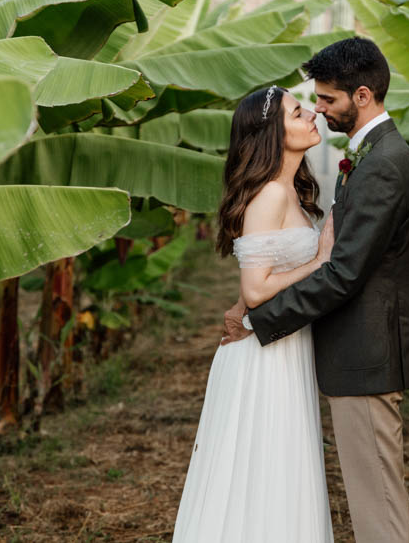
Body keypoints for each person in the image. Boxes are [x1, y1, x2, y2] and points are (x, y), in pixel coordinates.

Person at [225, 37, 409, 543]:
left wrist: (258, 320)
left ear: (362, 95)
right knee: (376, 496)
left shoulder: (382, 165)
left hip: (367, 354)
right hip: (360, 352)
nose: (318, 108)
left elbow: (343, 273)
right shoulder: (372, 156)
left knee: (378, 504)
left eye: (326, 99)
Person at [173, 85, 336, 542]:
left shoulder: (289, 190)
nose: (312, 116)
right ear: (272, 134)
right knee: (263, 467)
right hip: (264, 358)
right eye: (298, 113)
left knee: (280, 466)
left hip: (283, 343)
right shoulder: (270, 195)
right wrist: (320, 262)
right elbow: (256, 287)